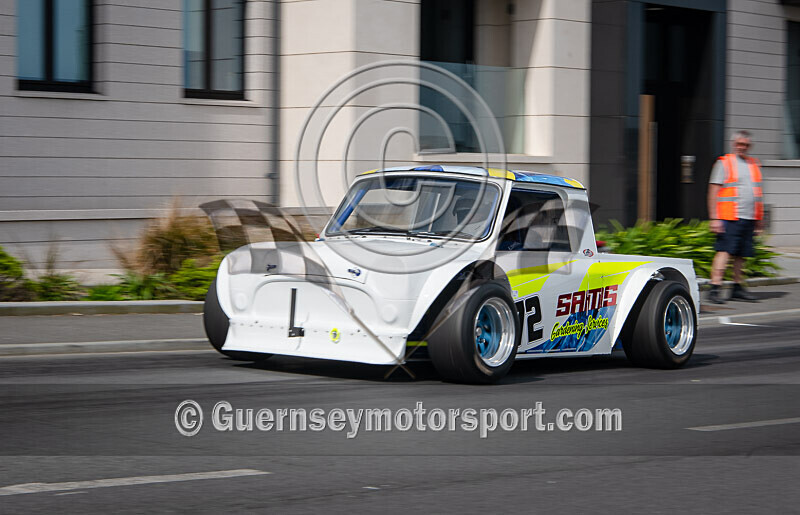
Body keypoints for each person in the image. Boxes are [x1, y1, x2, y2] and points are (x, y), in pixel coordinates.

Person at [707, 130, 764, 304]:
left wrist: (759, 222)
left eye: (745, 144)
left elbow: (758, 194)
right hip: (729, 216)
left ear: (750, 146)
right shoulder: (724, 163)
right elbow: (713, 191)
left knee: (741, 255)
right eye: (739, 144)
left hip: (749, 217)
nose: (742, 147)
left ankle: (737, 288)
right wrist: (714, 218)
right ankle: (714, 288)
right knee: (724, 252)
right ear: (734, 144)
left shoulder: (754, 164)